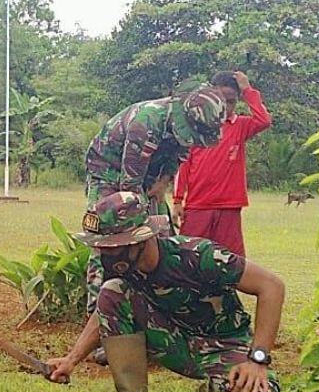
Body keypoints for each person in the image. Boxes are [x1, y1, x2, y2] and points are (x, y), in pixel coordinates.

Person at [48, 192, 283, 392]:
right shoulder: (123, 268)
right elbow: (105, 311)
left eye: (112, 247)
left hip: (225, 346)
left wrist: (257, 360)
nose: (106, 254)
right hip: (173, 343)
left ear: (139, 240)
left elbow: (272, 286)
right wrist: (71, 360)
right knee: (112, 290)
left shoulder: (199, 255)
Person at [82, 87, 225, 313]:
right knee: (111, 240)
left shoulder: (186, 125)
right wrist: (138, 231)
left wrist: (164, 181)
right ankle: (100, 315)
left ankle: (158, 308)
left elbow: (180, 154)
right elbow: (129, 189)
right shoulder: (146, 123)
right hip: (109, 172)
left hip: (150, 175)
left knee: (163, 238)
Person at [172, 71, 271, 256]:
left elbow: (263, 120)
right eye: (221, 100)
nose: (226, 106)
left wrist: (248, 90)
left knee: (231, 261)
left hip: (229, 206)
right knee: (188, 258)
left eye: (231, 101)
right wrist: (178, 200)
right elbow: (183, 164)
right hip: (197, 205)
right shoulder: (197, 125)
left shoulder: (240, 125)